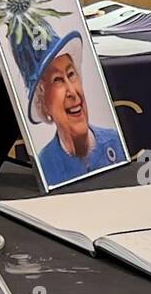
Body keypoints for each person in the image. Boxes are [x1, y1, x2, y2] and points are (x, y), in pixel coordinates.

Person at [8, 20, 125, 186]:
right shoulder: (46, 166)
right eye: (57, 80)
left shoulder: (115, 142)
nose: (72, 92)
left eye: (71, 74)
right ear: (43, 103)